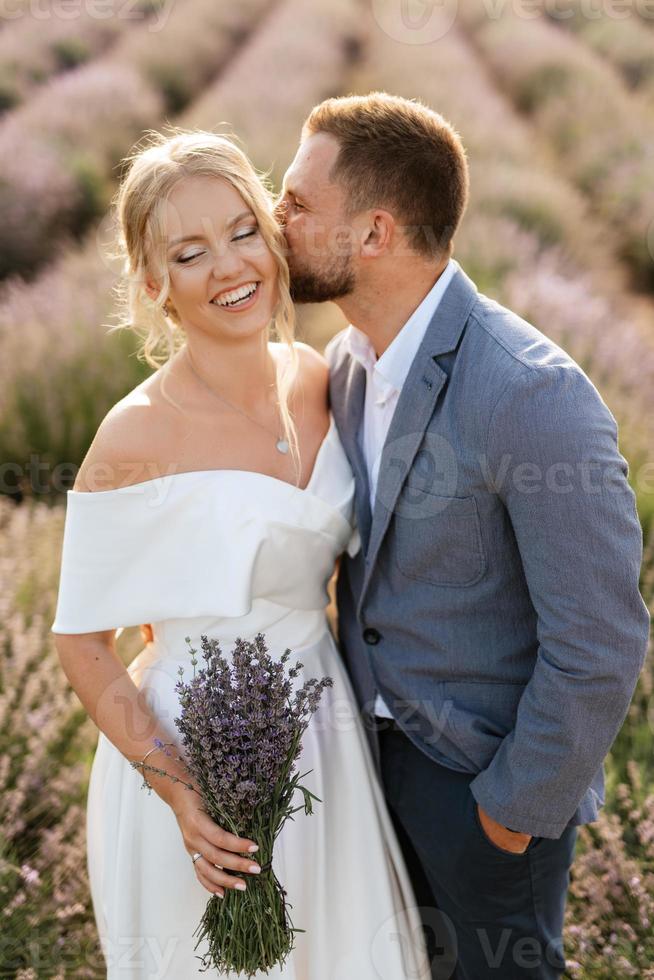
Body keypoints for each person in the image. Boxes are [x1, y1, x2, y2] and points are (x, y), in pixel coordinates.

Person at [277, 91, 651, 980]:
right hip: (367, 772)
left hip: (481, 790)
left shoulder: (531, 393)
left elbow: (602, 639)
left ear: (373, 233)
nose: (274, 217)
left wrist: (512, 811)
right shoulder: (345, 365)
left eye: (296, 202)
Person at [50, 128, 430, 980]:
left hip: (322, 730)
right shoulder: (134, 434)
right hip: (194, 756)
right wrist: (184, 797)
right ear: (155, 286)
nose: (229, 268)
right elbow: (81, 641)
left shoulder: (322, 378)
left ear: (272, 234)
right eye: (190, 253)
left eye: (242, 232)